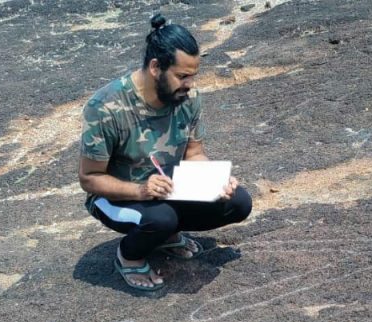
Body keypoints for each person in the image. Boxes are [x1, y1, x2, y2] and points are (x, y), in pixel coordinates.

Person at [78, 13, 252, 292]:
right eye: (182, 76)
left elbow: (194, 154)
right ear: (156, 67)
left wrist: (216, 181)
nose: (189, 84)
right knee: (160, 219)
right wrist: (141, 191)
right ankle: (130, 256)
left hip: (166, 184)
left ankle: (165, 236)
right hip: (116, 195)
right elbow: (89, 179)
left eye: (192, 76)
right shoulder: (106, 107)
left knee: (238, 202)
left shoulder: (187, 97)